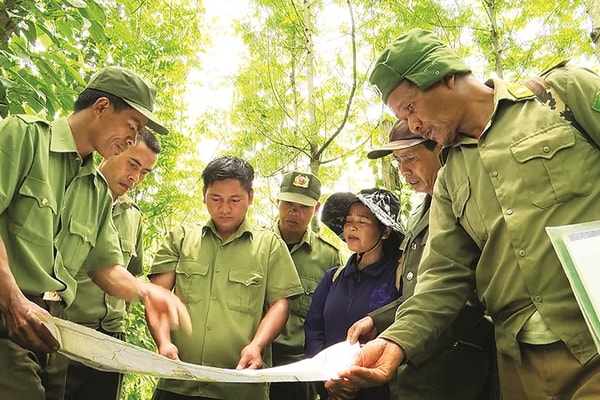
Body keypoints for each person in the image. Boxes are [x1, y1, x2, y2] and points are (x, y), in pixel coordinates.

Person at [331, 28, 600, 399]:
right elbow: (442, 279)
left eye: (410, 107)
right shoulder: (449, 178)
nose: (412, 126)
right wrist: (396, 341)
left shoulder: (561, 96)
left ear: (447, 76)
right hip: (521, 367)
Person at [0, 66, 189, 400]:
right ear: (101, 107)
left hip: (55, 329)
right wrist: (12, 299)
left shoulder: (97, 191)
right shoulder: (24, 137)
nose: (133, 140)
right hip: (8, 312)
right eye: (132, 126)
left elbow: (106, 267)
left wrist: (147, 292)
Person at [333, 120, 497, 400]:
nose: (404, 170)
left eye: (410, 158)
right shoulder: (421, 214)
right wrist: (378, 320)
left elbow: (458, 290)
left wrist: (399, 340)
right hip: (415, 372)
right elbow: (420, 292)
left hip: (456, 372)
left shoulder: (468, 204)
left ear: (440, 149)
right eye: (397, 161)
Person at [148, 155, 304, 400]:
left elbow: (280, 304)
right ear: (203, 194)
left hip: (240, 387)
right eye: (216, 199)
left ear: (250, 197)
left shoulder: (269, 246)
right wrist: (164, 342)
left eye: (234, 200)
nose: (224, 209)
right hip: (178, 382)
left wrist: (256, 346)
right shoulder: (180, 238)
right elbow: (157, 296)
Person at [64, 128, 161, 400]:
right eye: (133, 164)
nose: (135, 177)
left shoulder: (134, 217)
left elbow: (130, 274)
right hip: (70, 331)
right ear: (115, 149)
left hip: (112, 340)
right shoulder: (74, 190)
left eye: (144, 172)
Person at [304, 188, 404, 400]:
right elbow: (313, 331)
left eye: (363, 221)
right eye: (348, 221)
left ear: (385, 231)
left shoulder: (398, 278)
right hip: (330, 390)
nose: (352, 226)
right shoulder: (332, 278)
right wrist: (327, 381)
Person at [269, 170, 343, 400]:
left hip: (299, 369)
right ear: (278, 201)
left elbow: (332, 320)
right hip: (252, 363)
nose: (294, 211)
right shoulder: (255, 244)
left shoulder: (329, 257)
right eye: (289, 203)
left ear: (316, 209)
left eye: (303, 206)